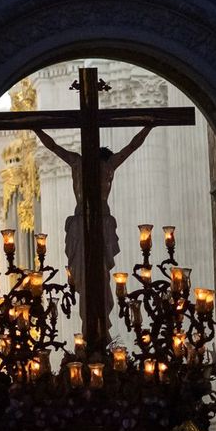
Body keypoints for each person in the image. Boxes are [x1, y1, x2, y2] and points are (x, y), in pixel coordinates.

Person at [32, 122, 155, 329]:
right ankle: (92, 324)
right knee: (86, 277)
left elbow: (52, 146)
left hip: (94, 221)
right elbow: (133, 145)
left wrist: (36, 129)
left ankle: (97, 323)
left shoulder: (82, 162)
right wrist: (148, 127)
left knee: (98, 275)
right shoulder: (101, 164)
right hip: (87, 222)